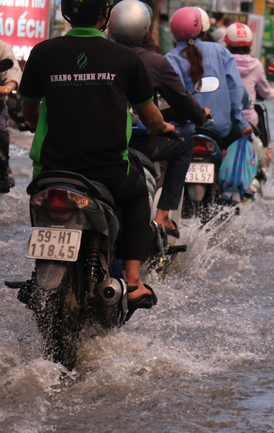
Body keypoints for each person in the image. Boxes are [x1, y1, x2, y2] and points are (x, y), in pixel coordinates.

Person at [19, 0, 175, 311]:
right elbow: (150, 116)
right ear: (105, 15)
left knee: (41, 202)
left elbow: (29, 110)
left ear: (65, 12)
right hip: (108, 170)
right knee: (137, 196)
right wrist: (162, 128)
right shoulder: (126, 58)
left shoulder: (43, 52)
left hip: (54, 169)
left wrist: (43, 129)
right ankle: (132, 281)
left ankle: (37, 273)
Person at [108, 0, 209, 238]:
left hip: (99, 139)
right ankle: (162, 214)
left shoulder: (98, 56)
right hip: (138, 140)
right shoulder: (154, 61)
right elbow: (181, 100)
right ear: (145, 31)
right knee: (184, 144)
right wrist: (200, 115)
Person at [165, 8, 251, 150]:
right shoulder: (221, 51)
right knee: (246, 153)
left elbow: (170, 96)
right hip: (220, 129)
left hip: (183, 131)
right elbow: (235, 89)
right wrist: (241, 122)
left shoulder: (169, 59)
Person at [225, 22, 274, 168]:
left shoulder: (222, 61)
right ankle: (264, 157)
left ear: (227, 44)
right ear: (249, 44)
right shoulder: (256, 65)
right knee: (259, 112)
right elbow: (266, 93)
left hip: (223, 121)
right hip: (248, 122)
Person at [0, 39, 21, 193]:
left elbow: (12, 74)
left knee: (2, 134)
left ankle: (4, 168)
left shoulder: (2, 48)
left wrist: (7, 87)